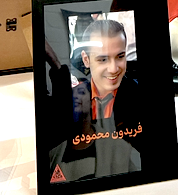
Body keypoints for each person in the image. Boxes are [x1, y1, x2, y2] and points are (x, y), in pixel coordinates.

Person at [44, 18, 142, 183]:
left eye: (120, 56)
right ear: (86, 59)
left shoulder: (139, 98)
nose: (113, 69)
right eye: (103, 59)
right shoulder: (72, 100)